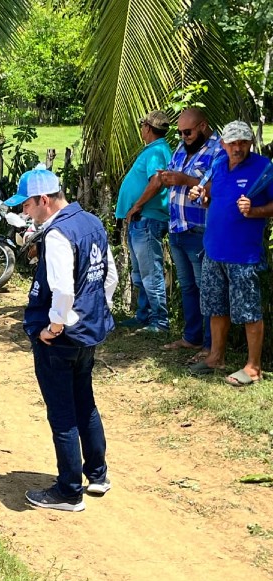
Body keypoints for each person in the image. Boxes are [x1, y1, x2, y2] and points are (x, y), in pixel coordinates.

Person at [5, 165, 119, 512]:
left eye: (27, 205)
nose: (24, 212)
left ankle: (68, 491)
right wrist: (95, 311)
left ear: (44, 200)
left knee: (62, 413)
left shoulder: (57, 235)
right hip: (88, 333)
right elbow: (110, 276)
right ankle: (97, 475)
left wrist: (53, 328)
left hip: (60, 338)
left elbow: (64, 291)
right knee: (85, 402)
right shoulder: (92, 223)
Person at [189, 121, 273, 386]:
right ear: (223, 144)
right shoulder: (218, 165)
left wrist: (255, 210)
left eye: (243, 142)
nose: (237, 148)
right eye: (232, 143)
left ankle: (253, 367)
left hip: (243, 254)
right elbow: (212, 193)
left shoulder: (264, 168)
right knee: (216, 307)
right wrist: (201, 194)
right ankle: (216, 357)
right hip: (214, 250)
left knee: (248, 311)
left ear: (250, 142)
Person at [157, 108, 223, 359]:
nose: (183, 136)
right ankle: (192, 337)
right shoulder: (182, 148)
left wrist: (184, 180)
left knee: (205, 287)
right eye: (180, 132)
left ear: (203, 126)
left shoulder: (218, 150)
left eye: (188, 132)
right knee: (187, 287)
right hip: (178, 226)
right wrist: (166, 178)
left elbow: (215, 185)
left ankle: (209, 345)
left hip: (200, 227)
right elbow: (176, 173)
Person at [115, 110, 173, 333]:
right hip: (142, 220)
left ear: (147, 128)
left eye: (142, 127)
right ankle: (144, 316)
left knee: (150, 272)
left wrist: (138, 205)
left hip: (147, 218)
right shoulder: (154, 150)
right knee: (141, 272)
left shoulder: (157, 151)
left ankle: (159, 321)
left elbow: (157, 180)